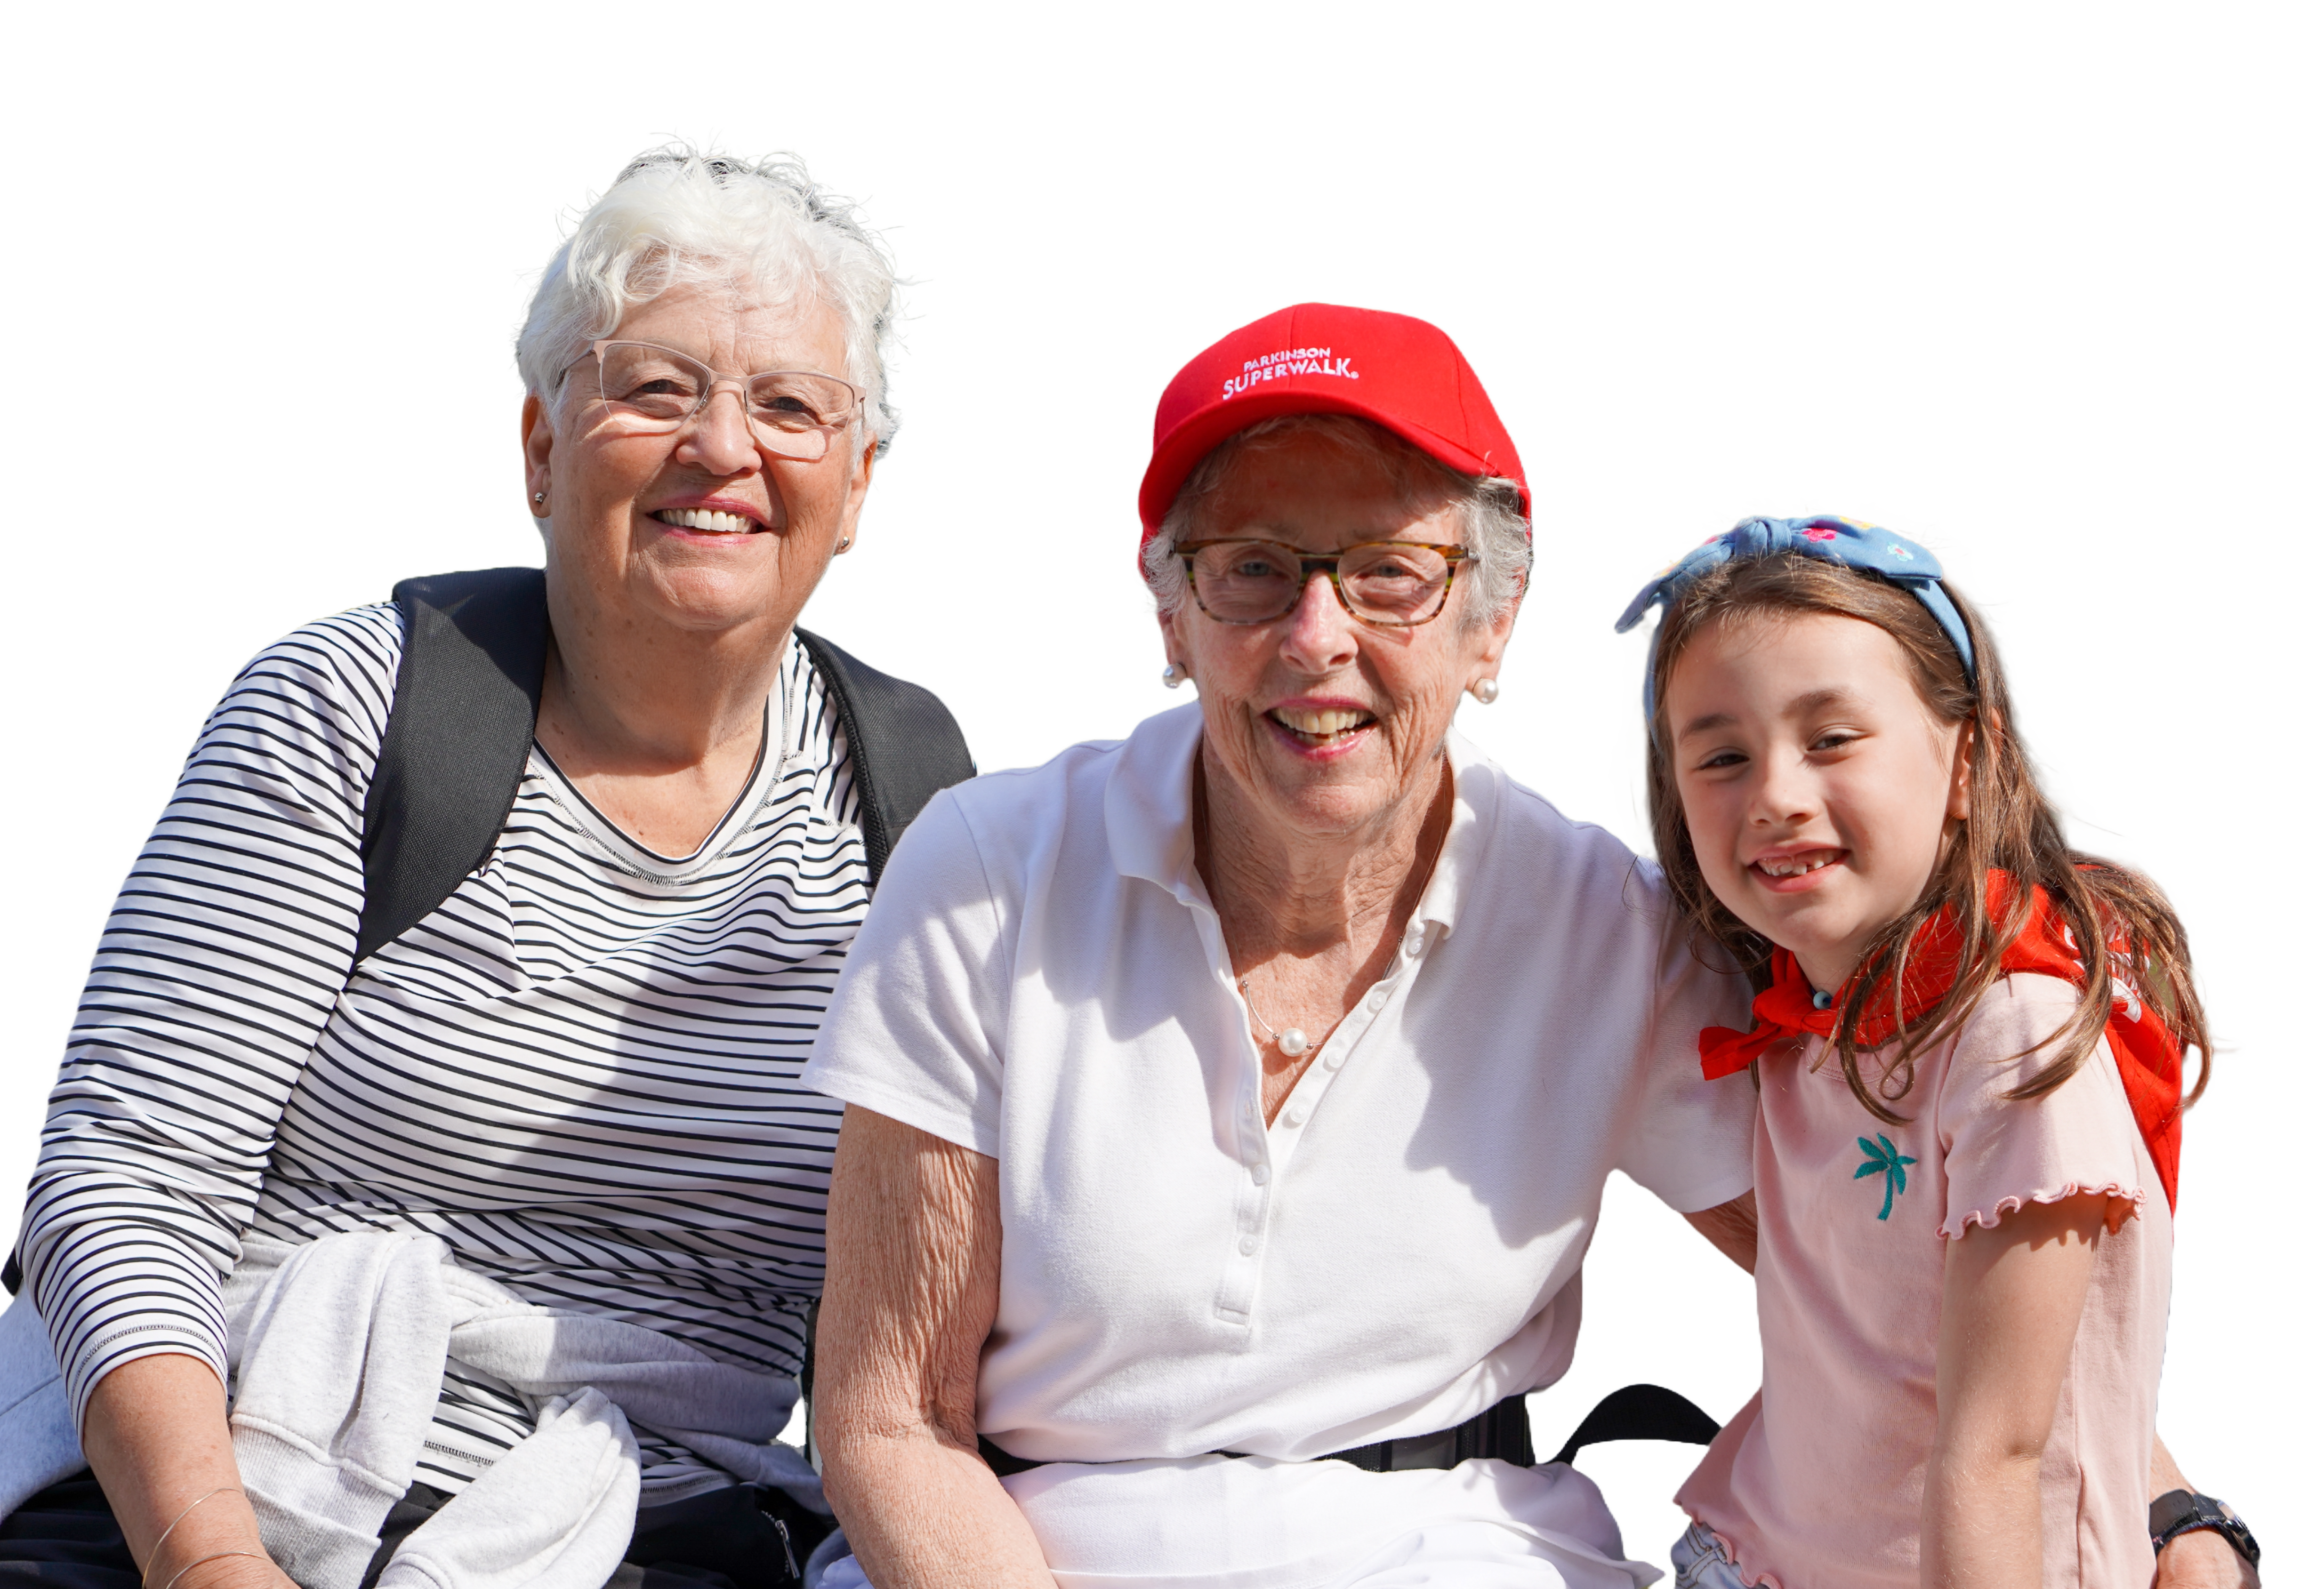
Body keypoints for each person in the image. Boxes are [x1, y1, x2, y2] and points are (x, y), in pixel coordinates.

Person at [0, 139, 966, 1589]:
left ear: (861, 479)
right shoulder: (354, 708)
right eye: (656, 388)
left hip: (663, 1528)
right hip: (217, 1470)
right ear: (541, 448)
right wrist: (211, 1566)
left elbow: (963, 1335)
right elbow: (127, 1182)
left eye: (789, 408)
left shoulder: (923, 821)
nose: (721, 449)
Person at [802, 303, 1769, 1589]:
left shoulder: (1604, 924)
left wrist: (2138, 1490)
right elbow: (893, 1418)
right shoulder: (987, 873)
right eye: (1252, 569)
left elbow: (1870, 1285)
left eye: (1389, 572)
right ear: (1171, 618)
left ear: (1491, 624)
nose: (1317, 638)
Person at [1616, 517, 2260, 1589]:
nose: (1774, 791)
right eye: (1722, 754)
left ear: (1969, 762)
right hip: (1754, 1555)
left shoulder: (2012, 1034)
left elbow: (2000, 1446)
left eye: (1832, 738)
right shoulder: (1801, 1009)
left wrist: (2184, 1517)